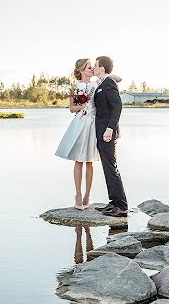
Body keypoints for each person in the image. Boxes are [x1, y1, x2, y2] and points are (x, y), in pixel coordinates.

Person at [55, 58, 121, 210]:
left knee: (89, 161)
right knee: (78, 161)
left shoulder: (98, 84)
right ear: (80, 71)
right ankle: (78, 194)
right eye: (88, 67)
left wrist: (105, 74)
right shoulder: (74, 87)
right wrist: (81, 105)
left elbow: (118, 79)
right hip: (80, 124)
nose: (92, 69)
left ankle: (87, 195)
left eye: (93, 66)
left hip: (93, 125)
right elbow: (71, 108)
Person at [93, 56, 128, 217]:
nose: (93, 67)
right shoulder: (103, 83)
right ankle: (113, 202)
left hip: (107, 131)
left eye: (96, 65)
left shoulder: (109, 83)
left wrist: (110, 129)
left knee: (111, 167)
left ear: (102, 68)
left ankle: (121, 206)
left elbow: (117, 106)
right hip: (101, 130)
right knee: (107, 167)